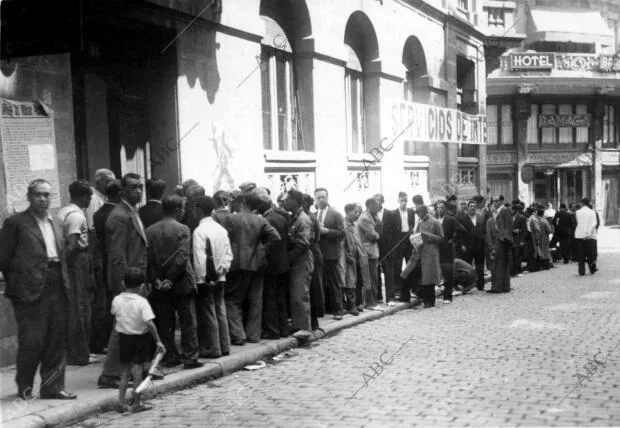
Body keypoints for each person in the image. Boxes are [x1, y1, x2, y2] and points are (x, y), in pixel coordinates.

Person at [0, 179, 77, 400]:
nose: (43, 199)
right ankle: (24, 387)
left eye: (47, 195)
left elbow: (62, 254)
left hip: (57, 284)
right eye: (38, 195)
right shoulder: (15, 223)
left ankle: (52, 387)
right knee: (32, 340)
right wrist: (18, 284)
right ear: (29, 197)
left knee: (56, 339)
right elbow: (3, 259)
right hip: (29, 290)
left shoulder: (56, 223)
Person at [98, 173, 149, 389]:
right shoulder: (119, 216)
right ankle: (110, 373)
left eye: (140, 186)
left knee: (139, 326)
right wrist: (125, 285)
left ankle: (141, 369)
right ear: (122, 192)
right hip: (127, 282)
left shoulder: (133, 212)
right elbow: (117, 255)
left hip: (137, 280)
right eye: (133, 187)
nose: (138, 191)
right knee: (123, 327)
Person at [146, 195, 201, 369]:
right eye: (183, 208)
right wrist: (171, 278)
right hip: (181, 282)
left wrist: (156, 279)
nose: (184, 211)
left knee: (165, 322)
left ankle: (171, 355)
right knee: (187, 321)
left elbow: (148, 259)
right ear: (177, 210)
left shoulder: (150, 231)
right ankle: (190, 356)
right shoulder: (182, 229)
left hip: (159, 284)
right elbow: (182, 258)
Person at [223, 192, 280, 345]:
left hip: (236, 263)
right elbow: (276, 237)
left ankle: (238, 334)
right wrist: (262, 249)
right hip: (257, 263)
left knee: (232, 300)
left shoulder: (231, 218)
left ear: (243, 203)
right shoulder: (260, 220)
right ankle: (253, 335)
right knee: (256, 300)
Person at [112, 267, 165, 413]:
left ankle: (121, 402)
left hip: (123, 338)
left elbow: (114, 312)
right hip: (140, 339)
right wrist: (158, 341)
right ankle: (136, 402)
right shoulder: (142, 302)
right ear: (142, 286)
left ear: (123, 283)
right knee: (137, 371)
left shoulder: (117, 300)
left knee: (124, 372)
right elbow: (149, 322)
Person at [58, 180, 96, 365]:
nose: (90, 199)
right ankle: (80, 354)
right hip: (78, 261)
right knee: (81, 307)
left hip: (73, 261)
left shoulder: (62, 212)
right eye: (89, 195)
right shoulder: (77, 216)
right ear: (82, 196)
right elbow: (72, 244)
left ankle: (76, 351)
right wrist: (62, 263)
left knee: (74, 307)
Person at [193, 196, 233, 358]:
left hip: (206, 277)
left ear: (198, 210)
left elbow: (199, 258)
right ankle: (225, 345)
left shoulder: (199, 231)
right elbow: (228, 254)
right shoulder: (221, 230)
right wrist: (223, 270)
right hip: (221, 275)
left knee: (208, 312)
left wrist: (200, 278)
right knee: (220, 310)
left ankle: (213, 348)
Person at [91, 179, 123, 354]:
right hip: (115, 262)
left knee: (105, 302)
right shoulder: (118, 214)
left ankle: (101, 341)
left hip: (102, 261)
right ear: (119, 194)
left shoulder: (98, 214)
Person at [283, 189, 315, 338]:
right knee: (295, 294)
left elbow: (303, 244)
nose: (285, 202)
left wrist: (288, 258)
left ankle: (304, 328)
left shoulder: (303, 219)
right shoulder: (294, 217)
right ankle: (298, 325)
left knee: (300, 294)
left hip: (301, 260)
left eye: (288, 200)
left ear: (295, 201)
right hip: (296, 260)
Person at [312, 188, 346, 320]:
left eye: (323, 197)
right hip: (317, 254)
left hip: (331, 253)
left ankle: (338, 310)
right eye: (318, 197)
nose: (321, 200)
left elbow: (342, 233)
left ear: (327, 198)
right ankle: (321, 310)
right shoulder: (314, 215)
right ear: (315, 199)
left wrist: (327, 231)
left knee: (334, 282)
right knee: (318, 283)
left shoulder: (335, 214)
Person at [260, 196, 290, 339]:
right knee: (280, 297)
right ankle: (283, 328)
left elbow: (272, 240)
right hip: (283, 263)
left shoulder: (267, 220)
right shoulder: (280, 217)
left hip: (272, 264)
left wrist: (263, 250)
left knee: (270, 297)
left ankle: (273, 330)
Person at [383, 192, 416, 304]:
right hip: (399, 240)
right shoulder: (394, 213)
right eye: (402, 201)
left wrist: (412, 230)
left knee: (410, 263)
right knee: (397, 264)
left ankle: (412, 288)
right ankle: (397, 289)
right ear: (398, 201)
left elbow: (413, 224)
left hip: (409, 239)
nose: (404, 203)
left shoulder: (411, 211)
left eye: (405, 201)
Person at [411, 205, 443, 308]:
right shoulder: (420, 223)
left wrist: (428, 236)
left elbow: (441, 238)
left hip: (432, 253)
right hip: (422, 253)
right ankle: (426, 300)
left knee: (431, 276)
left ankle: (430, 301)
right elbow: (418, 237)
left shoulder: (435, 222)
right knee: (424, 277)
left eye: (419, 213)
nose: (419, 216)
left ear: (425, 212)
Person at [303, 193, 326, 327]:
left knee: (314, 286)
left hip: (312, 251)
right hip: (314, 250)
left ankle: (314, 319)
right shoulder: (311, 216)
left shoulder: (309, 218)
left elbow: (314, 237)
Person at [357, 198, 383, 311]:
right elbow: (374, 235)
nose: (379, 208)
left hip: (372, 251)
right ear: (369, 205)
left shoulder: (372, 217)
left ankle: (372, 301)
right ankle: (370, 302)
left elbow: (378, 233)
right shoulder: (365, 218)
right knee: (370, 278)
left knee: (373, 277)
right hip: (367, 252)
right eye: (376, 205)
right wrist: (376, 234)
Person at [436, 200, 465, 303]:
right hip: (436, 250)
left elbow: (461, 230)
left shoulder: (450, 220)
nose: (440, 209)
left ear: (446, 209)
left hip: (447, 250)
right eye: (438, 207)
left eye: (442, 207)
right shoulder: (435, 220)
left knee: (448, 273)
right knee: (439, 273)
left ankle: (447, 296)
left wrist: (453, 239)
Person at [343, 203, 367, 316]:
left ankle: (358, 303)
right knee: (349, 280)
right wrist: (346, 254)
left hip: (357, 255)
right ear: (348, 212)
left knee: (358, 280)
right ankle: (351, 305)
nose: (358, 214)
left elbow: (358, 241)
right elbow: (342, 242)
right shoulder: (343, 225)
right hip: (348, 256)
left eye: (359, 212)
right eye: (355, 212)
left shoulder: (355, 225)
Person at [457, 200, 486, 290]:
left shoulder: (481, 218)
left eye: (474, 206)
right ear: (468, 208)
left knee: (480, 267)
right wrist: (462, 244)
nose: (472, 208)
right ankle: (466, 285)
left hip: (479, 246)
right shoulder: (462, 219)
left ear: (476, 208)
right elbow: (459, 234)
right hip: (468, 246)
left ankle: (480, 285)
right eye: (471, 206)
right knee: (467, 267)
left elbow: (484, 231)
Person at [488, 202, 513, 293]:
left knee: (499, 265)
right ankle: (504, 286)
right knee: (502, 265)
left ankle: (498, 287)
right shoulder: (500, 213)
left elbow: (509, 225)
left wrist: (503, 237)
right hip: (503, 241)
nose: (492, 207)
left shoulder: (504, 210)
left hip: (502, 242)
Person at [574, 198, 598, 276]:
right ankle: (592, 269)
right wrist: (588, 233)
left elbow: (576, 223)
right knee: (591, 254)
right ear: (589, 203)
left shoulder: (577, 212)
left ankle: (581, 271)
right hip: (590, 236)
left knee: (581, 254)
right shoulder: (592, 212)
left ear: (582, 203)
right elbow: (594, 224)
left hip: (579, 235)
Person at [511, 200, 527, 277]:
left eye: (514, 209)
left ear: (517, 210)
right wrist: (512, 230)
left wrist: (522, 240)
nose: (512, 210)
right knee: (512, 256)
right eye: (512, 209)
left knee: (517, 256)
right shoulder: (509, 217)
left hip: (518, 239)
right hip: (511, 239)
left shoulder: (522, 217)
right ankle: (512, 271)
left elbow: (525, 230)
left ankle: (517, 270)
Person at [536, 205, 553, 270]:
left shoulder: (534, 220)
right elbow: (549, 230)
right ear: (543, 214)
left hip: (537, 238)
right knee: (545, 251)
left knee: (538, 251)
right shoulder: (545, 221)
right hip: (544, 238)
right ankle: (546, 265)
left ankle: (539, 265)